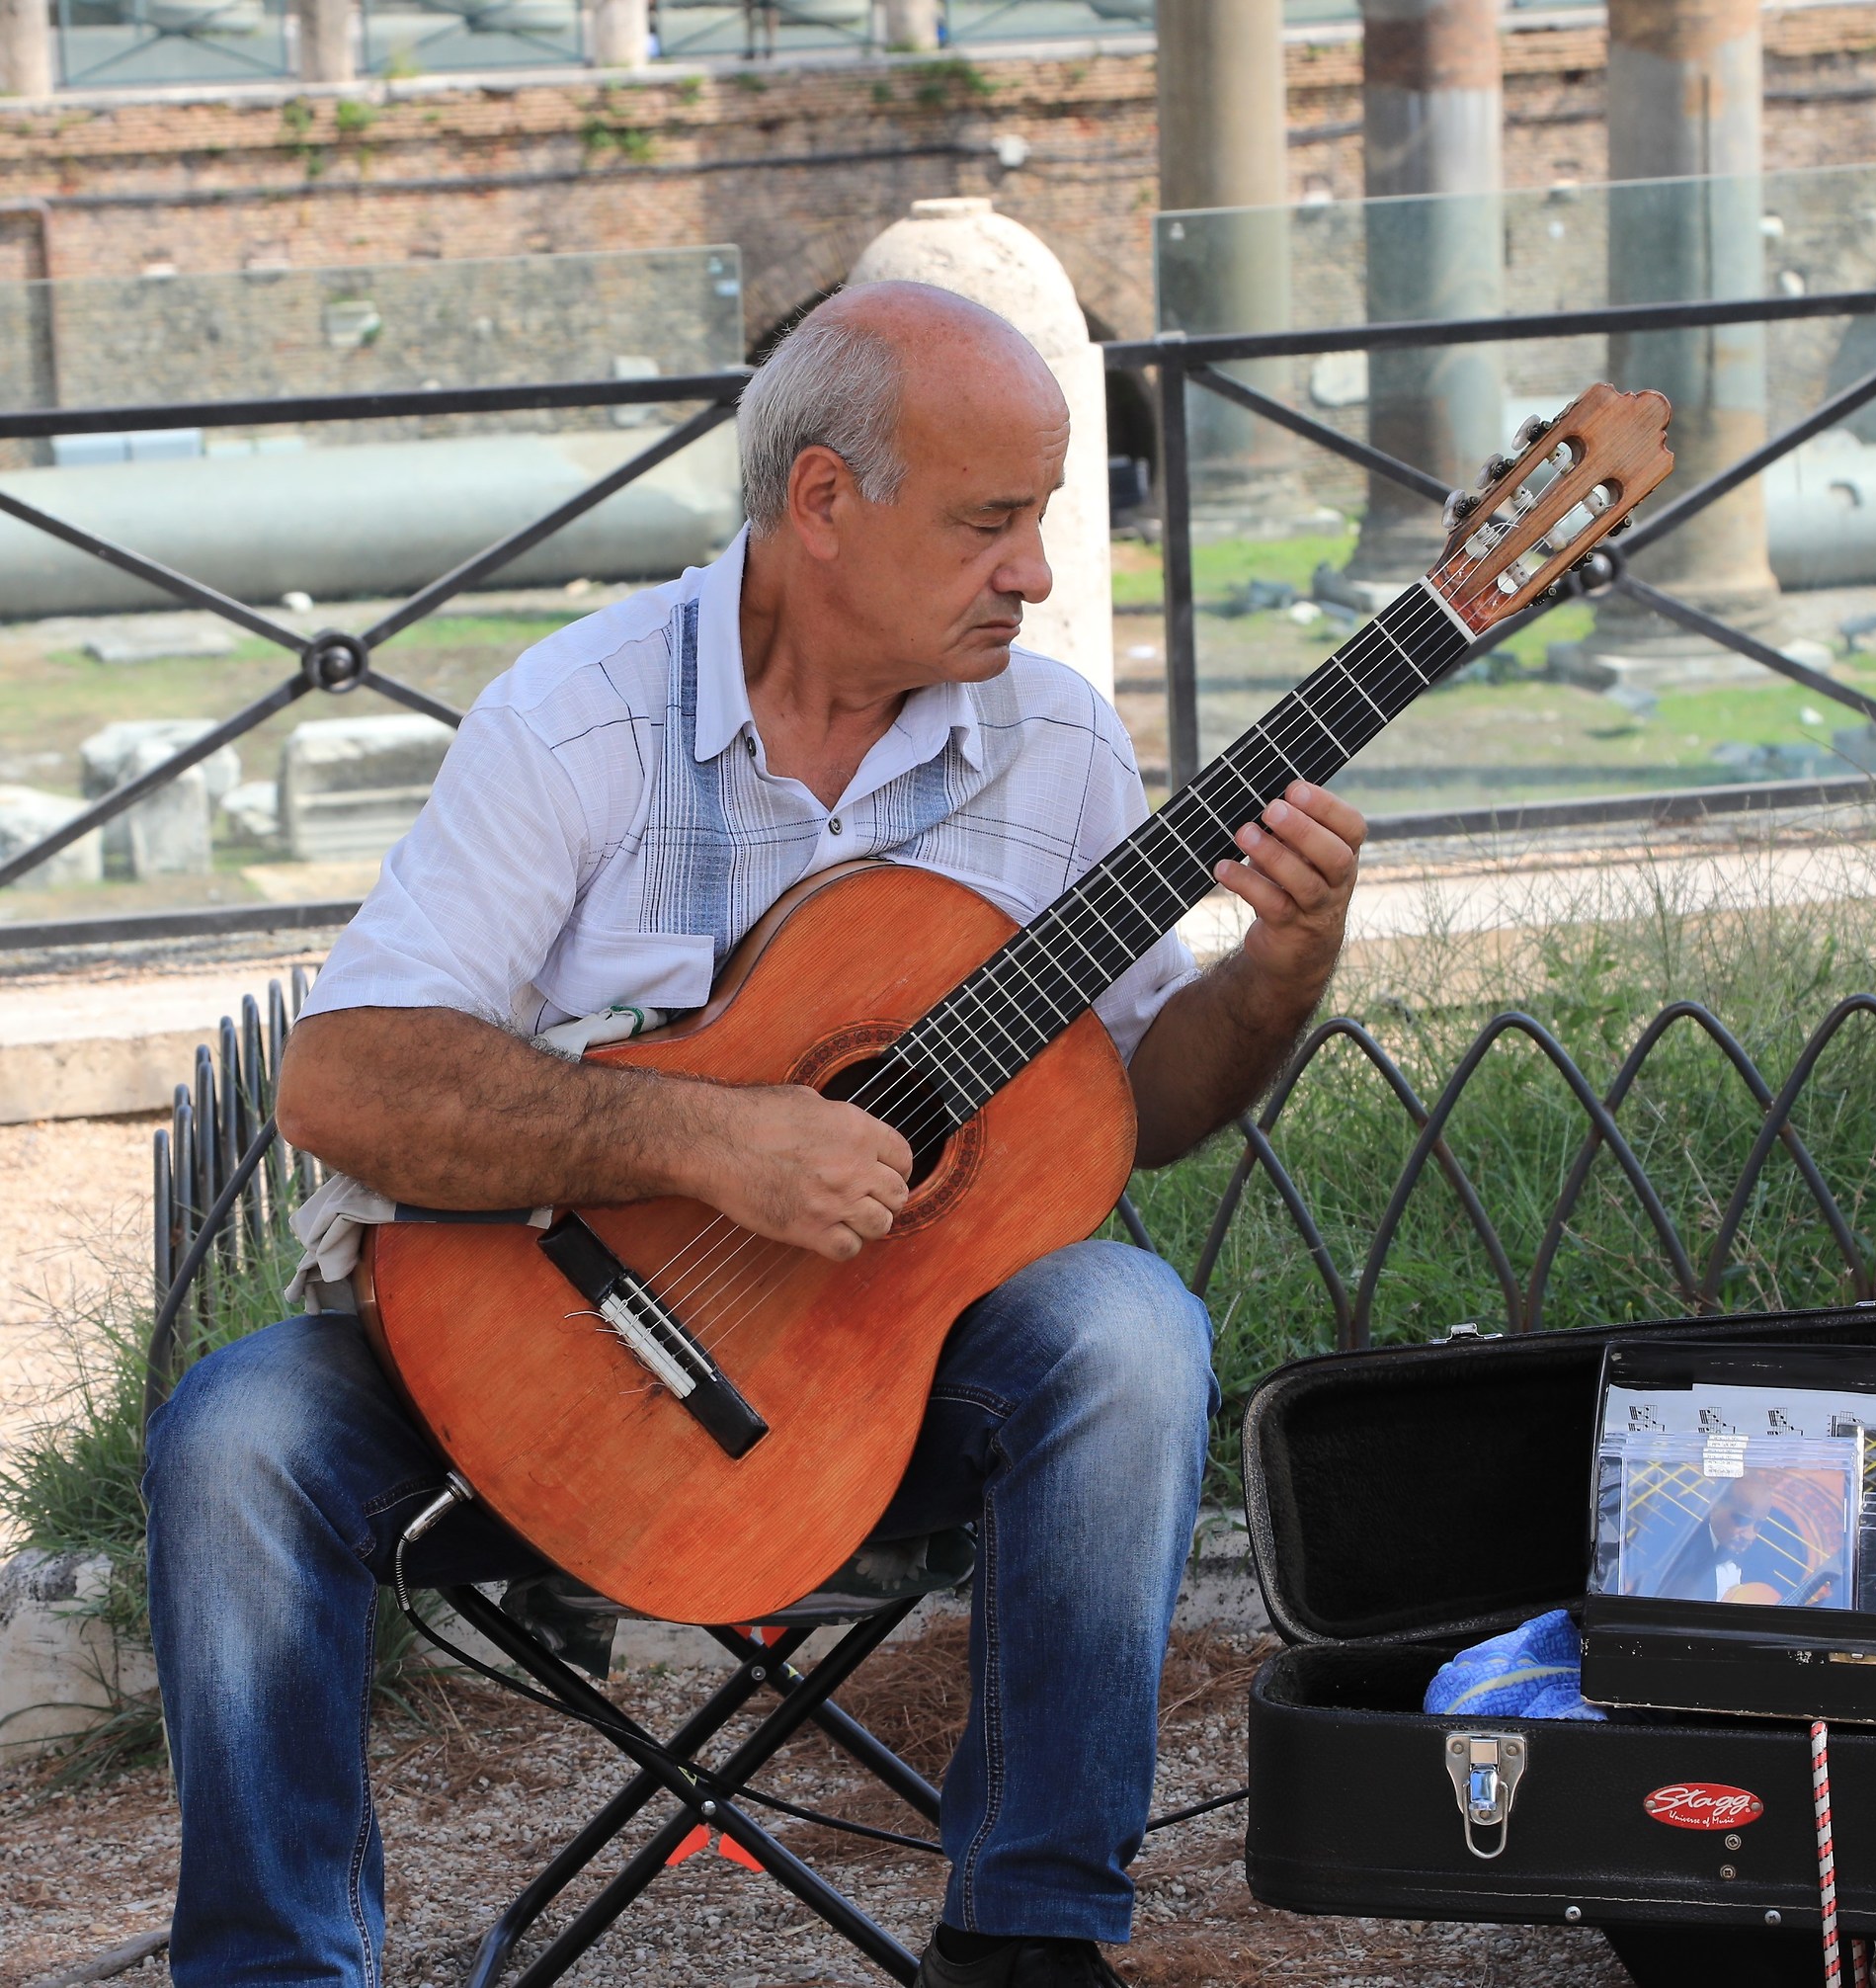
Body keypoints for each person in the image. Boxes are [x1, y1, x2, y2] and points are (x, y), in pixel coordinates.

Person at [143, 281, 1370, 1988]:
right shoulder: (576, 720)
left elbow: (1148, 1103)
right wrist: (709, 1143)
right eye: (987, 522)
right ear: (820, 503)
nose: (1031, 570)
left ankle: (1028, 1939)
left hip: (862, 1389)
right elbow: (343, 1081)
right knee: (238, 1430)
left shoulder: (1056, 739)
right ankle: (275, 1973)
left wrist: (1281, 967)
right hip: (516, 1363)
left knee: (1129, 1331)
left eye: (1042, 521)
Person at [1645, 1474, 1793, 1604]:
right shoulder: (1677, 1552)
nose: (1749, 1534)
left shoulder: (1764, 1562)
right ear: (1715, 1508)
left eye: (1758, 1525)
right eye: (1742, 1520)